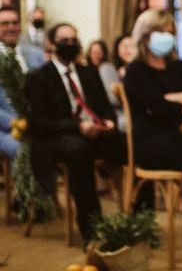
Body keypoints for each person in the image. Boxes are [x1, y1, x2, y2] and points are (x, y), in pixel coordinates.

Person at [26, 22, 126, 245]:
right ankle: (93, 231)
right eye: (65, 41)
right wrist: (77, 126)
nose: (71, 44)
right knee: (79, 152)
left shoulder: (89, 72)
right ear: (51, 45)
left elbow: (104, 108)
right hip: (58, 138)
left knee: (126, 144)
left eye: (74, 39)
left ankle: (134, 218)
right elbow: (40, 124)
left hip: (92, 132)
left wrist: (108, 122)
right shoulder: (39, 77)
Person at [123, 9, 182, 186]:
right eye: (161, 32)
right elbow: (160, 109)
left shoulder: (178, 66)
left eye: (170, 33)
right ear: (145, 35)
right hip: (152, 142)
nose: (167, 37)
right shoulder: (135, 71)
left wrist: (180, 98)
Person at [0, 5, 46, 160]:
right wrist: (13, 122)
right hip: (6, 128)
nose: (11, 27)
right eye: (5, 24)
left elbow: (50, 92)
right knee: (25, 150)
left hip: (39, 125)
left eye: (15, 23)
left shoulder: (37, 55)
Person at [86, 40, 122, 130]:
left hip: (113, 113)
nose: (96, 55)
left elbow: (113, 100)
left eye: (99, 52)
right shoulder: (87, 72)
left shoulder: (105, 68)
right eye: (93, 53)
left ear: (104, 54)